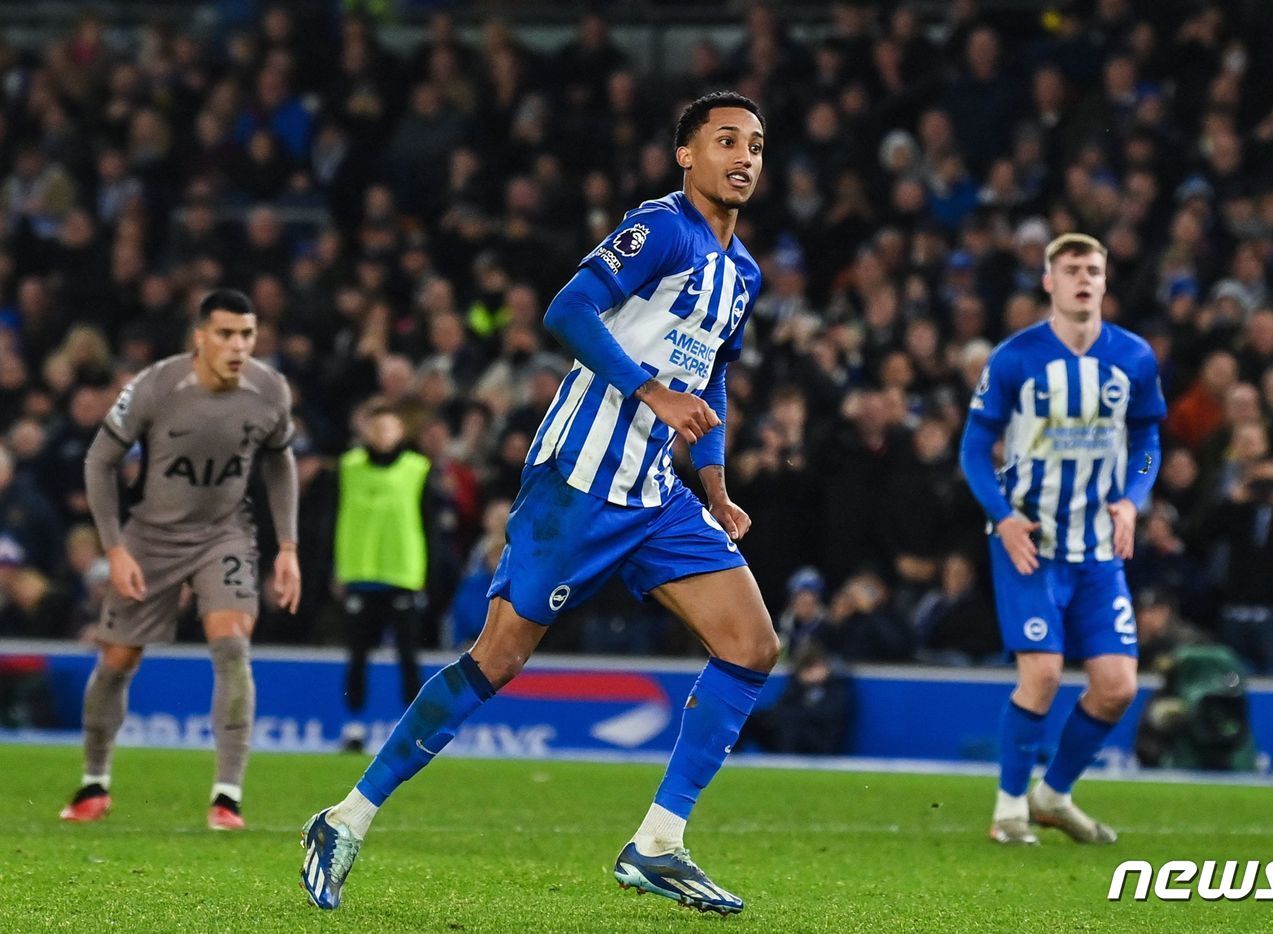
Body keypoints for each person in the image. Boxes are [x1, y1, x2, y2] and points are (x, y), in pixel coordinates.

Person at [301, 92, 777, 916]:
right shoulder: (661, 227)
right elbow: (567, 307)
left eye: (756, 145)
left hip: (656, 495)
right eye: (725, 140)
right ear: (685, 156)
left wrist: (716, 483)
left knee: (753, 643)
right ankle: (345, 817)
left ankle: (658, 842)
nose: (743, 156)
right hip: (578, 482)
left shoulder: (743, 273)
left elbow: (716, 375)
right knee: (498, 658)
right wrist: (648, 391)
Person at [62, 288, 301, 830]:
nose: (238, 345)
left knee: (232, 645)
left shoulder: (269, 390)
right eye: (225, 334)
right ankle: (94, 783)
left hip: (225, 534)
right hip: (150, 537)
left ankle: (227, 796)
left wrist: (287, 548)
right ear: (200, 337)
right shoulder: (156, 385)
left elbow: (279, 460)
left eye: (246, 334)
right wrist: (115, 549)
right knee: (118, 662)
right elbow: (100, 461)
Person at [959, 233, 1165, 846]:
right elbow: (973, 448)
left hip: (1099, 548)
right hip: (1030, 541)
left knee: (1118, 686)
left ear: (1105, 282)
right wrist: (1004, 516)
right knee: (1044, 673)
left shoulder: (1134, 358)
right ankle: (1009, 809)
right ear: (1049, 281)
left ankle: (1054, 795)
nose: (1083, 278)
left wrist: (1133, 499)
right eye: (1070, 269)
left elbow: (1149, 446)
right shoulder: (1016, 357)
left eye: (1093, 269)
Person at [334, 403, 432, 752]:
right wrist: (337, 569)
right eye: (376, 428)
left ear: (401, 432)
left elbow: (429, 524)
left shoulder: (417, 469)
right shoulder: (349, 467)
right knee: (357, 655)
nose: (382, 435)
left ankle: (413, 732)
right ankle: (355, 728)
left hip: (403, 574)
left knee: (408, 655)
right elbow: (334, 517)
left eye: (389, 428)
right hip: (360, 574)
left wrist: (427, 573)